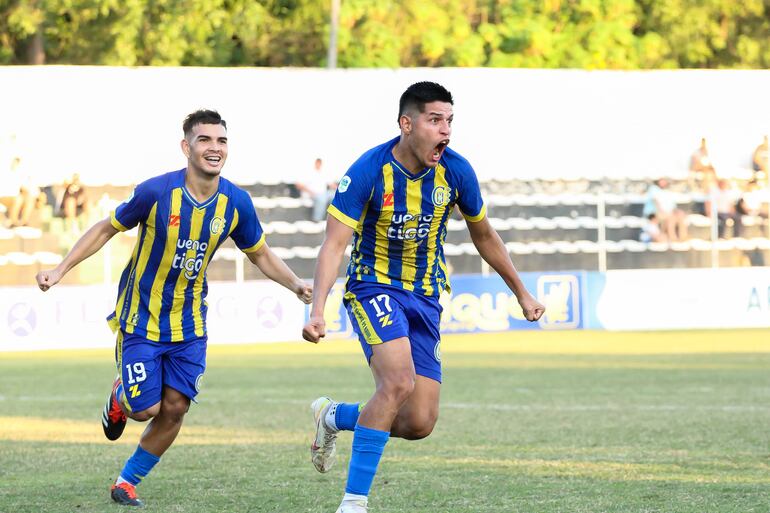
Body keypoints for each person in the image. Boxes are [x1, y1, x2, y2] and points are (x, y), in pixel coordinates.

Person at [35, 110, 313, 508]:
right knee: (145, 408)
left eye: (221, 141)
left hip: (190, 321)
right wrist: (60, 269)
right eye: (205, 140)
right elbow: (105, 228)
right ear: (187, 147)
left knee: (176, 407)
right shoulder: (156, 192)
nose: (214, 148)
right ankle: (120, 397)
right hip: (140, 317)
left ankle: (127, 481)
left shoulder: (236, 203)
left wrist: (295, 285)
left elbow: (261, 255)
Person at [301, 82, 545, 513]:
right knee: (396, 383)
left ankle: (334, 415)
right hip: (373, 288)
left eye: (450, 121)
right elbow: (334, 245)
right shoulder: (367, 171)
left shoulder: (457, 171)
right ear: (406, 123)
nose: (445, 131)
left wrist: (521, 292)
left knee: (417, 422)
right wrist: (317, 309)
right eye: (435, 120)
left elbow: (484, 235)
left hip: (426, 297)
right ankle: (354, 502)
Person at [296, 157, 337, 222]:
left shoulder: (323, 173)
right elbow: (298, 184)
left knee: (335, 195)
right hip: (311, 194)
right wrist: (311, 192)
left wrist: (340, 190)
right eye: (317, 163)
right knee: (321, 199)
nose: (319, 164)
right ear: (315, 163)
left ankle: (335, 219)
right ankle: (317, 220)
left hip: (323, 193)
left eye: (320, 163)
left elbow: (331, 184)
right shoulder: (308, 172)